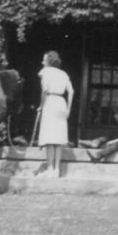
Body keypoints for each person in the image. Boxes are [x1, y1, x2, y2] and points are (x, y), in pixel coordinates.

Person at [37, 50, 73, 178]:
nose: (42, 62)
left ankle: (50, 168)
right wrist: (68, 109)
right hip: (61, 103)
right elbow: (71, 91)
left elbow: (44, 90)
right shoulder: (63, 73)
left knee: (49, 138)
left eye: (44, 60)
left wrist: (41, 106)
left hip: (50, 102)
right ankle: (56, 169)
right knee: (57, 139)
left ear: (48, 61)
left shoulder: (45, 72)